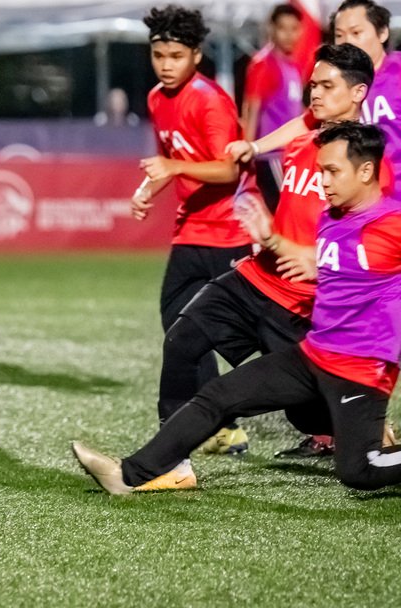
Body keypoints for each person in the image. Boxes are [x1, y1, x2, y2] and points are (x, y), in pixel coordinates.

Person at [73, 122, 401, 498]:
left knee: (360, 471)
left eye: (332, 171)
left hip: (362, 370)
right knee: (219, 396)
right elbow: (330, 264)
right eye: (321, 171)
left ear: (366, 171)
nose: (323, 181)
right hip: (312, 355)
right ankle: (129, 474)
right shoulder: (333, 218)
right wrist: (272, 240)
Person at [255, 0, 401, 439]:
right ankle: (337, 428)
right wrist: (254, 147)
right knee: (340, 313)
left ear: (382, 33)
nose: (348, 39)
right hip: (360, 217)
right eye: (340, 33)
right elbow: (305, 124)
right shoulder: (341, 83)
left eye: (357, 32)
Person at [146, 44, 376, 481]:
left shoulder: (371, 159)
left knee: (308, 415)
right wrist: (252, 146)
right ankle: (170, 466)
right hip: (256, 277)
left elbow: (381, 238)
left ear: (358, 92)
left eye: (327, 86)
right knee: (182, 338)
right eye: (312, 85)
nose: (314, 94)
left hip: (303, 302)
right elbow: (301, 123)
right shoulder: (308, 131)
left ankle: (365, 430)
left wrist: (319, 261)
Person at [130, 4, 251, 455]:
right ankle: (222, 426)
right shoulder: (156, 99)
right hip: (192, 231)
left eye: (176, 56)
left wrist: (172, 168)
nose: (165, 65)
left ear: (197, 55)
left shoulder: (209, 100)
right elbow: (171, 162)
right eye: (158, 55)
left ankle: (332, 414)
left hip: (232, 231)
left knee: (259, 337)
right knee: (180, 327)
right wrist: (147, 189)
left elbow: (228, 170)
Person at [240, 4, 305, 213]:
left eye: (294, 28)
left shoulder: (293, 65)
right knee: (285, 214)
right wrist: (247, 152)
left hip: (291, 155)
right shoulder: (264, 64)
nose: (289, 35)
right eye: (283, 28)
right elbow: (251, 109)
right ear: (272, 29)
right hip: (271, 157)